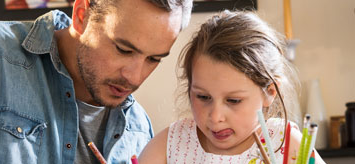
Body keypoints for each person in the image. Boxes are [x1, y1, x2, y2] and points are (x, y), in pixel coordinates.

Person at [0, 0, 192, 163]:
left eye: (154, 59)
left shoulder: (140, 130)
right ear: (81, 15)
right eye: (123, 49)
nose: (135, 76)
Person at [138, 11, 326, 163]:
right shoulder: (172, 143)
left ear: (269, 92)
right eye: (203, 97)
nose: (216, 117)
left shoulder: (287, 143)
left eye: (233, 100)